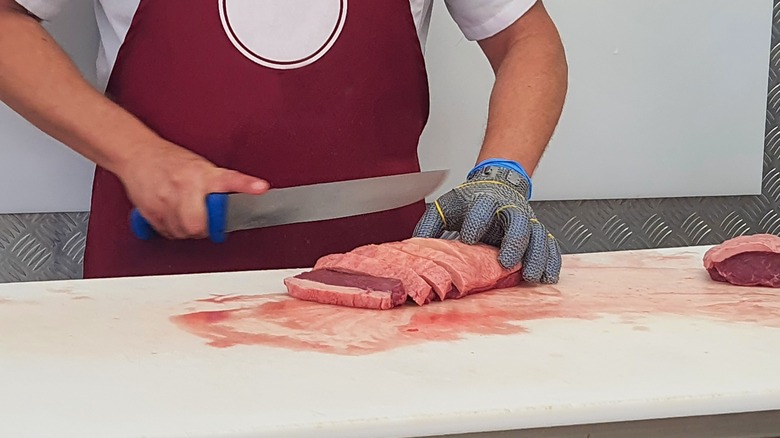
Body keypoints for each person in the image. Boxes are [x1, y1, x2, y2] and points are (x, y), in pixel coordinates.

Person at [0, 0, 567, 283]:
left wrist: (502, 173)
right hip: (153, 289)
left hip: (380, 291)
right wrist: (138, 154)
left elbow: (526, 39)